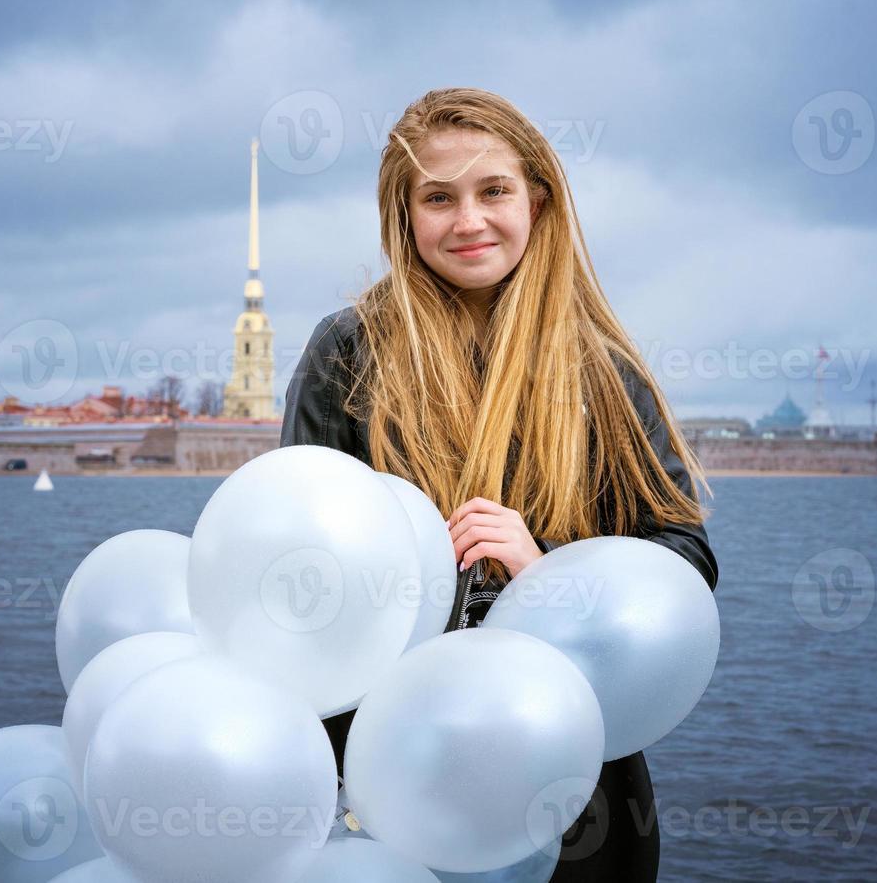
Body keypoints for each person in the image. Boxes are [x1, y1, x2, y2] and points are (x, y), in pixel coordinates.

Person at [279, 87, 718, 882]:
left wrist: (547, 571)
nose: (468, 220)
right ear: (402, 216)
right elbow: (288, 553)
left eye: (494, 191)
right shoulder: (348, 350)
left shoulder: (603, 372)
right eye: (438, 198)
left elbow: (682, 560)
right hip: (386, 762)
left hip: (574, 766)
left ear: (538, 200)